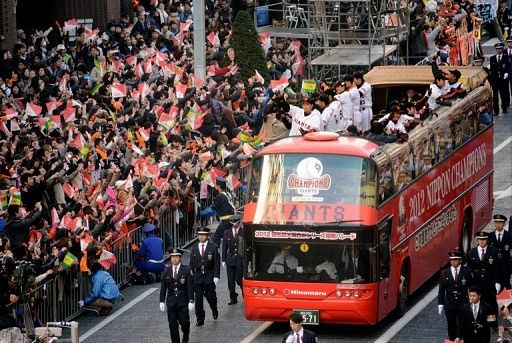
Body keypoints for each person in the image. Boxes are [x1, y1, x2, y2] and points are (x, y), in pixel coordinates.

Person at [159, 248, 195, 343]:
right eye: (172, 257)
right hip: (171, 302)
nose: (174, 259)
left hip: (183, 301)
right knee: (172, 325)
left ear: (180, 258)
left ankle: (186, 335)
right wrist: (161, 301)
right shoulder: (167, 270)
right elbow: (163, 287)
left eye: (176, 257)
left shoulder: (186, 270)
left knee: (184, 323)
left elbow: (190, 286)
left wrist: (191, 300)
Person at [437, 251, 474, 341]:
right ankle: (452, 340)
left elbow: (471, 287)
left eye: (456, 260)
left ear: (460, 260)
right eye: (452, 260)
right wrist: (440, 303)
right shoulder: (445, 273)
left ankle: (461, 340)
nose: (454, 262)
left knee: (462, 324)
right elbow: (441, 290)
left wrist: (472, 301)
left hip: (463, 302)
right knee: (451, 325)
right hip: (449, 303)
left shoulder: (467, 271)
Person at [189, 227, 220, 326]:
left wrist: (216, 276)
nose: (201, 237)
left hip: (209, 275)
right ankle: (200, 319)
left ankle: (214, 309)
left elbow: (216, 263)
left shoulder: (213, 247)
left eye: (203, 235)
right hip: (197, 277)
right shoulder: (194, 249)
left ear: (207, 236)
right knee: (198, 300)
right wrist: (190, 274)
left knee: (211, 297)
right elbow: (191, 264)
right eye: (199, 235)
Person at [468, 231, 500, 316]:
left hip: (489, 281)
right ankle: (480, 322)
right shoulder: (472, 252)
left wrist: (497, 282)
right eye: (480, 239)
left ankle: (492, 323)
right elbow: (469, 269)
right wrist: (470, 285)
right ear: (477, 240)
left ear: (487, 240)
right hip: (477, 281)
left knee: (491, 302)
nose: (482, 241)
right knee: (478, 303)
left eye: (484, 239)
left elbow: (497, 268)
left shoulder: (493, 251)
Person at [200, 176, 236, 246]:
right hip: (231, 219)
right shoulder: (227, 194)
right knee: (227, 238)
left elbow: (211, 210)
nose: (214, 186)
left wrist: (201, 213)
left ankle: (214, 254)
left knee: (216, 238)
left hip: (227, 221)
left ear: (218, 186)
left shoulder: (220, 196)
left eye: (215, 184)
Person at [222, 214, 244, 305]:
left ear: (239, 222)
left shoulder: (243, 232)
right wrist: (223, 259)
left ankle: (244, 294)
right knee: (230, 280)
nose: (234, 224)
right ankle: (233, 297)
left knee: (239, 279)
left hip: (240, 258)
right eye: (233, 222)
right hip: (230, 258)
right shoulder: (227, 232)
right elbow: (224, 247)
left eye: (236, 222)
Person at [488, 214, 512, 289]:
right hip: (494, 266)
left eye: (500, 223)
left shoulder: (509, 236)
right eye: (496, 222)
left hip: (506, 265)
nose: (498, 225)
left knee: (506, 285)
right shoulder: (490, 236)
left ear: (504, 224)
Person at [489, 42, 510, 115]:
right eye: (497, 49)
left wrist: (507, 73)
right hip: (495, 80)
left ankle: (504, 107)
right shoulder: (492, 58)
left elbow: (508, 67)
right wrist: (491, 80)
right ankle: (496, 110)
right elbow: (491, 70)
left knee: (503, 94)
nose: (498, 50)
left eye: (500, 49)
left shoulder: (506, 57)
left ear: (502, 49)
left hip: (503, 79)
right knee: (495, 96)